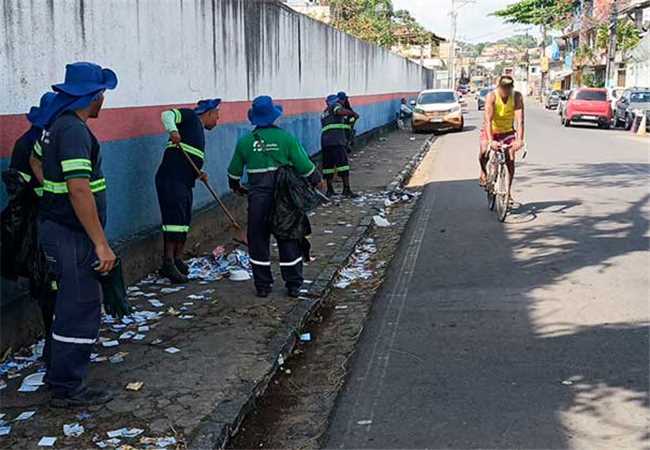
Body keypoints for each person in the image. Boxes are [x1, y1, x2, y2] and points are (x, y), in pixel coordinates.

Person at [38, 61, 118, 407]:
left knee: (68, 305)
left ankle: (58, 375)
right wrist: (100, 243)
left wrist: (48, 194)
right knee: (80, 305)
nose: (104, 100)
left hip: (59, 228)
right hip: (72, 234)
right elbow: (79, 190)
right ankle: (68, 388)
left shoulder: (56, 125)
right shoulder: (73, 131)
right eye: (102, 94)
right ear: (93, 97)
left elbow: (37, 161)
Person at [227, 96, 321, 298]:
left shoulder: (245, 142)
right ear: (274, 116)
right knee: (288, 238)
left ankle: (263, 285)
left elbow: (233, 174)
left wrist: (237, 187)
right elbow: (305, 168)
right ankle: (293, 285)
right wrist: (317, 181)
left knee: (258, 240)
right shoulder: (286, 139)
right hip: (284, 199)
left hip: (258, 199)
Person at [156, 99, 221, 283]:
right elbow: (167, 114)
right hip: (171, 179)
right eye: (216, 116)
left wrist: (198, 173)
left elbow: (189, 156)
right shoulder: (190, 116)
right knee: (173, 221)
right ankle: (168, 262)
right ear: (208, 113)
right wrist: (173, 131)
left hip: (184, 180)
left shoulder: (197, 131)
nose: (217, 120)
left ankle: (177, 259)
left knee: (183, 221)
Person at [479, 75, 525, 198]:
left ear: (511, 88)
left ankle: (508, 192)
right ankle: (484, 171)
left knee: (510, 159)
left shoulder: (517, 97)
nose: (505, 91)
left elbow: (520, 121)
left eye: (508, 89)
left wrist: (519, 140)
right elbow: (487, 120)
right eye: (503, 88)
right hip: (491, 131)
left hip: (507, 132)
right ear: (498, 87)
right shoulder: (492, 96)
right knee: (484, 151)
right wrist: (490, 141)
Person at [321, 94, 359, 197]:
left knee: (328, 166)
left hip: (325, 142)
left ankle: (330, 190)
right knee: (343, 165)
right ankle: (346, 190)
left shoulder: (324, 112)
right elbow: (339, 111)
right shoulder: (335, 106)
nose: (342, 103)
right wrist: (352, 113)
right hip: (336, 141)